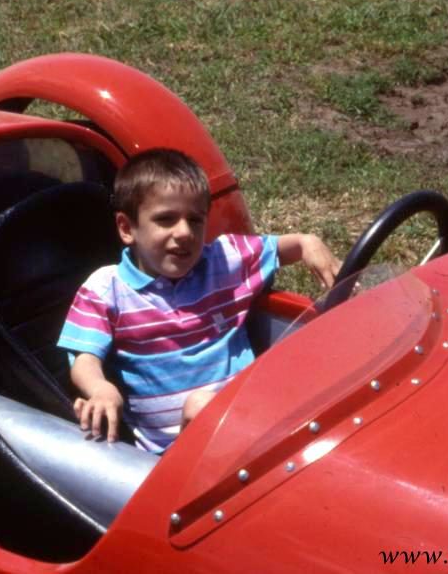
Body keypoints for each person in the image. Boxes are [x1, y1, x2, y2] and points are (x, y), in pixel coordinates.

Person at [57, 148, 340, 453]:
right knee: (200, 405)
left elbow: (283, 247)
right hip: (177, 455)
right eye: (166, 219)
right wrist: (100, 389)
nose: (184, 232)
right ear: (127, 228)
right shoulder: (106, 288)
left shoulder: (223, 260)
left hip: (252, 422)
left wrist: (307, 243)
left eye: (195, 220)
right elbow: (84, 357)